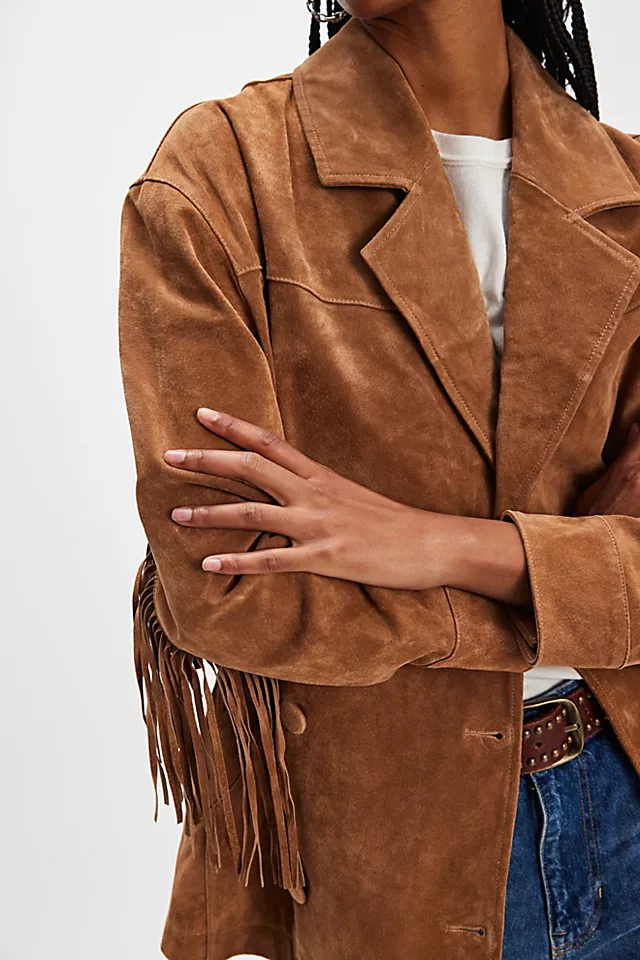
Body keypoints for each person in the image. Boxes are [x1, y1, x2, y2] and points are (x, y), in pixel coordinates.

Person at [117, 2, 640, 958]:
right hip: (383, 841)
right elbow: (228, 593)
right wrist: (565, 589)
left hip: (624, 793)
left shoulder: (631, 191)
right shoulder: (226, 174)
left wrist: (432, 544)